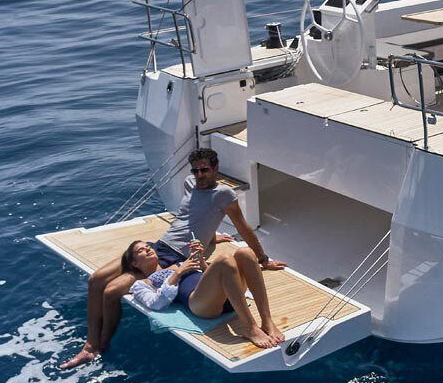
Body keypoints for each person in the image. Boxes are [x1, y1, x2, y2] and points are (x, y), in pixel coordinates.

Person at [60, 148, 285, 369]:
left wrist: (263, 259)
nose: (199, 175)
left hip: (176, 257)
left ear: (215, 168)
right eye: (195, 170)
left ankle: (100, 345)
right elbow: (191, 217)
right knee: (96, 279)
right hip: (158, 245)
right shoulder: (189, 183)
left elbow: (243, 227)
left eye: (204, 170)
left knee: (111, 291)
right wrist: (211, 238)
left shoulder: (224, 194)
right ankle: (90, 345)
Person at [121, 235, 286, 349]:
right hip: (200, 304)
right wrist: (178, 273)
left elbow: (215, 275)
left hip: (224, 294)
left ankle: (267, 320)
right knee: (225, 259)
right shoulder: (142, 284)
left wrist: (201, 262)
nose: (148, 249)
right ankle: (249, 327)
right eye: (141, 250)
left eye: (148, 246)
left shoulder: (178, 262)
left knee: (246, 252)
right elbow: (156, 303)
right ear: (134, 263)